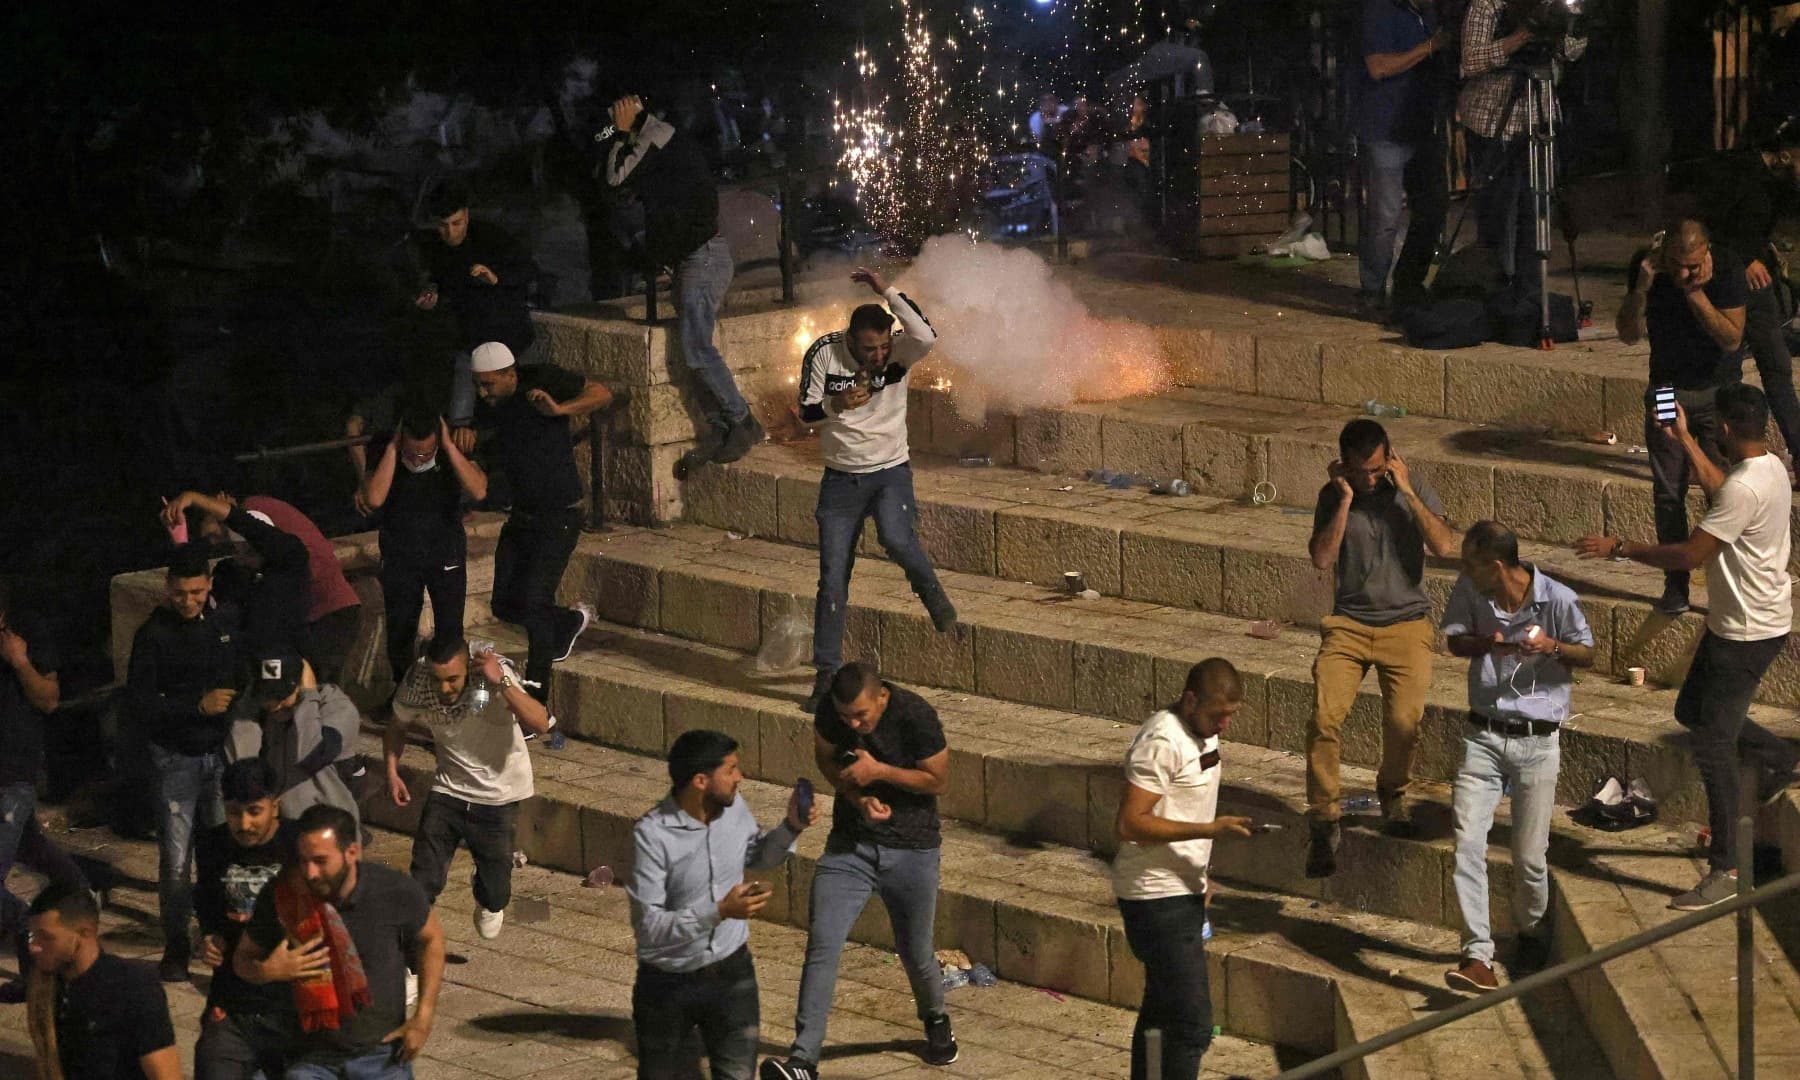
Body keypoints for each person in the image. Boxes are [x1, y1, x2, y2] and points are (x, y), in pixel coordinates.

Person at [1576, 383, 1797, 910]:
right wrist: (1684, 439)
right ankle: (1775, 754)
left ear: (1723, 427)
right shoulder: (1769, 467)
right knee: (1690, 708)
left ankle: (1727, 868)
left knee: (1714, 744)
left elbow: (1691, 555)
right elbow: (1725, 492)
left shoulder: (1746, 488)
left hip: (1746, 633)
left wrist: (1621, 548)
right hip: (1742, 624)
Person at [761, 664, 957, 1079]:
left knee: (916, 951)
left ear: (882, 697)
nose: (853, 724)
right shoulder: (833, 714)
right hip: (850, 847)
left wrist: (880, 771)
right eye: (846, 716)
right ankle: (803, 1060)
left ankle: (937, 1022)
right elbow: (827, 760)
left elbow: (938, 781)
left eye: (862, 716)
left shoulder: (915, 715)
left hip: (913, 848)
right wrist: (857, 795)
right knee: (823, 944)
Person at [1441, 521, 1594, 992]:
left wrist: (1551, 646)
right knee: (1467, 843)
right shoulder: (1471, 590)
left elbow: (1587, 653)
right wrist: (1492, 642)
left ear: (1498, 566)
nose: (1464, 571)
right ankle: (1476, 955)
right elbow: (1453, 640)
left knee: (1529, 857)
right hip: (1482, 735)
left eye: (1473, 563)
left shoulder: (1558, 599)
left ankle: (1531, 931)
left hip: (1536, 739)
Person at [795, 268, 956, 712]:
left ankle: (932, 594)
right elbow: (805, 413)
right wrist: (835, 404)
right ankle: (825, 675)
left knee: (897, 537)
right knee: (832, 580)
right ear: (851, 340)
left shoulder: (901, 350)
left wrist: (886, 289)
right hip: (841, 479)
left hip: (890, 470)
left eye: (884, 346)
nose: (878, 356)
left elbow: (926, 334)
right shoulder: (825, 354)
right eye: (869, 349)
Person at [1305, 419, 1457, 876]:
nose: (1369, 479)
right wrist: (1346, 500)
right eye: (1359, 472)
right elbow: (1321, 558)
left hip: (1406, 625)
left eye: (1375, 470)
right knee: (1323, 718)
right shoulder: (1334, 496)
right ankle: (1325, 816)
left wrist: (1408, 493)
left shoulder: (1412, 489)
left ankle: (1393, 793)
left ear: (1389, 459)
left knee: (1403, 720)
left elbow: (1446, 545)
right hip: (1349, 625)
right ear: (1344, 467)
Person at [629, 729, 816, 1080]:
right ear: (701, 780)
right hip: (667, 985)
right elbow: (649, 928)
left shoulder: (734, 809)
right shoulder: (652, 835)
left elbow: (756, 855)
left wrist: (791, 827)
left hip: (732, 975)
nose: (740, 777)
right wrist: (719, 911)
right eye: (730, 770)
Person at [604, 94, 763, 470]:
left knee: (697, 350)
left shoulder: (655, 139)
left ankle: (742, 421)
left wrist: (619, 135)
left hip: (702, 257)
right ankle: (723, 428)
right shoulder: (662, 141)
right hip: (695, 257)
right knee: (694, 352)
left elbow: (614, 179)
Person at [1112, 658, 1254, 1080]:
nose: (1224, 725)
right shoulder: (1162, 740)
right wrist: (1208, 829)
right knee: (1192, 1024)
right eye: (1217, 715)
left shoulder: (1204, 734)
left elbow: (1188, 798)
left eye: (1231, 716)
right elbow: (1130, 822)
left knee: (1161, 1011)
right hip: (1154, 898)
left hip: (1184, 889)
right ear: (1190, 700)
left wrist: (1201, 872)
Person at [235, 804, 445, 1078]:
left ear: (351, 852)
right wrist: (267, 971)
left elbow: (432, 940)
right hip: (309, 1057)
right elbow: (242, 958)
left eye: (320, 861)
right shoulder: (283, 897)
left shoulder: (393, 890)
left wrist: (423, 1017)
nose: (310, 872)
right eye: (303, 860)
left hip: (380, 1056)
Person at [1617, 219, 1749, 615]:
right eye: (1676, 264)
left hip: (1718, 390)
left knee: (1725, 491)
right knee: (1667, 491)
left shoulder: (1725, 267)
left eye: (1692, 265)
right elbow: (1627, 334)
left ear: (1707, 251)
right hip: (1665, 389)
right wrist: (1641, 288)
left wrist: (1695, 292)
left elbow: (1731, 338)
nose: (1683, 273)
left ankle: (1731, 583)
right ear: (1663, 252)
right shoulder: (1649, 269)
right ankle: (1675, 586)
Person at [471, 342, 614, 703]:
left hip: (560, 514)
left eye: (489, 384)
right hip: (521, 516)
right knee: (504, 603)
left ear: (511, 374)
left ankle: (536, 701)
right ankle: (566, 623)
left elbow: (601, 393)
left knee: (535, 603)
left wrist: (560, 409)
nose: (482, 392)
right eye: (478, 384)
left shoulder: (543, 380)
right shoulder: (488, 410)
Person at [127, 543, 243, 982]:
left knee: (217, 854)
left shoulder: (221, 626)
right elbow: (139, 703)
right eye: (180, 593)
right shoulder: (153, 634)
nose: (188, 601)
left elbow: (236, 678)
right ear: (167, 589)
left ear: (209, 586)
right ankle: (176, 946)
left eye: (196, 592)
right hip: (174, 759)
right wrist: (196, 707)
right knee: (176, 861)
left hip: (217, 755)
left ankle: (217, 937)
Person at [386, 637, 549, 940]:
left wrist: (500, 681)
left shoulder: (494, 674)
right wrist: (392, 771)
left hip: (498, 795)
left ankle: (486, 892)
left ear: (466, 669)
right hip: (448, 789)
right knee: (423, 881)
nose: (445, 688)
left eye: (453, 679)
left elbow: (540, 723)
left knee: (496, 894)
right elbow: (396, 727)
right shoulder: (418, 679)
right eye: (438, 680)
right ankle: (409, 963)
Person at [0, 580, 93, 1005]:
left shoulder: (28, 633)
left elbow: (50, 700)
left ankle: (31, 932)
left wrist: (19, 663)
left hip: (11, 776)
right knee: (34, 850)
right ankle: (81, 899)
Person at [165, 491, 363, 681]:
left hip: (312, 638)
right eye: (241, 549)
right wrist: (182, 546)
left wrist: (195, 498)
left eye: (253, 549)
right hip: (264, 672)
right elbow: (198, 589)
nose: (247, 555)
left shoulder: (289, 563)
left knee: (320, 691)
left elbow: (257, 532)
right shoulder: (235, 575)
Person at [1693, 130, 1800, 474]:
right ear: (1786, 154)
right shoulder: (1738, 172)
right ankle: (1718, 453)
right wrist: (1745, 257)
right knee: (1726, 371)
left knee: (1777, 366)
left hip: (1757, 288)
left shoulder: (1779, 184)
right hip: (1729, 284)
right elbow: (1710, 227)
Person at [1458, 0, 1586, 282]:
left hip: (1538, 119)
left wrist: (1567, 27)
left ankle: (1529, 299)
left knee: (1536, 217)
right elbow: (1470, 61)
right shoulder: (1488, 5)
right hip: (1492, 123)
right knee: (1497, 220)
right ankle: (1495, 294)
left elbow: (1572, 51)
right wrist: (1520, 37)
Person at [361, 413, 487, 685]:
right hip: (400, 553)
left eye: (426, 454)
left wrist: (450, 448)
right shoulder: (385, 447)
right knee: (400, 630)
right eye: (413, 454)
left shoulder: (452, 444)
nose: (419, 460)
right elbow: (373, 497)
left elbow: (478, 490)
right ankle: (404, 694)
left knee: (450, 629)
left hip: (445, 551)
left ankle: (454, 691)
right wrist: (394, 449)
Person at [193, 760, 300, 1080]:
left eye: (255, 811)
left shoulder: (299, 845)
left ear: (275, 806)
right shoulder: (213, 844)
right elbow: (210, 906)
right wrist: (209, 938)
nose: (244, 824)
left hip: (292, 1002)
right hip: (233, 997)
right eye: (234, 813)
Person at [416, 180, 538, 447]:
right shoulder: (435, 249)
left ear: (467, 216)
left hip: (510, 338)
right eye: (443, 225)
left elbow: (527, 270)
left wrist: (496, 278)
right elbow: (440, 285)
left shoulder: (491, 237)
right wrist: (431, 296)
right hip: (470, 345)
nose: (450, 232)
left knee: (522, 409)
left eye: (457, 223)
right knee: (462, 421)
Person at [25, 885, 180, 1079]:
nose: (33, 947)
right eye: (32, 936)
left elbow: (166, 1074)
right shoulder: (49, 984)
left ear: (85, 933)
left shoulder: (133, 987)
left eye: (46, 937)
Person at [1356, 0, 1450, 319]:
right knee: (1385, 216)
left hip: (1421, 126)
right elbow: (1377, 66)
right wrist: (1429, 47)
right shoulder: (1379, 10)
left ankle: (1408, 284)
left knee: (1433, 208)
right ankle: (1373, 290)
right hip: (1386, 126)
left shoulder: (1427, 12)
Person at [228, 651, 362, 828]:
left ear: (302, 684)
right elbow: (241, 756)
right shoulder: (269, 712)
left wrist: (308, 696)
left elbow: (310, 755)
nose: (275, 705)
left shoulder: (338, 708)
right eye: (268, 697)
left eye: (281, 696)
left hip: (328, 831)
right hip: (284, 831)